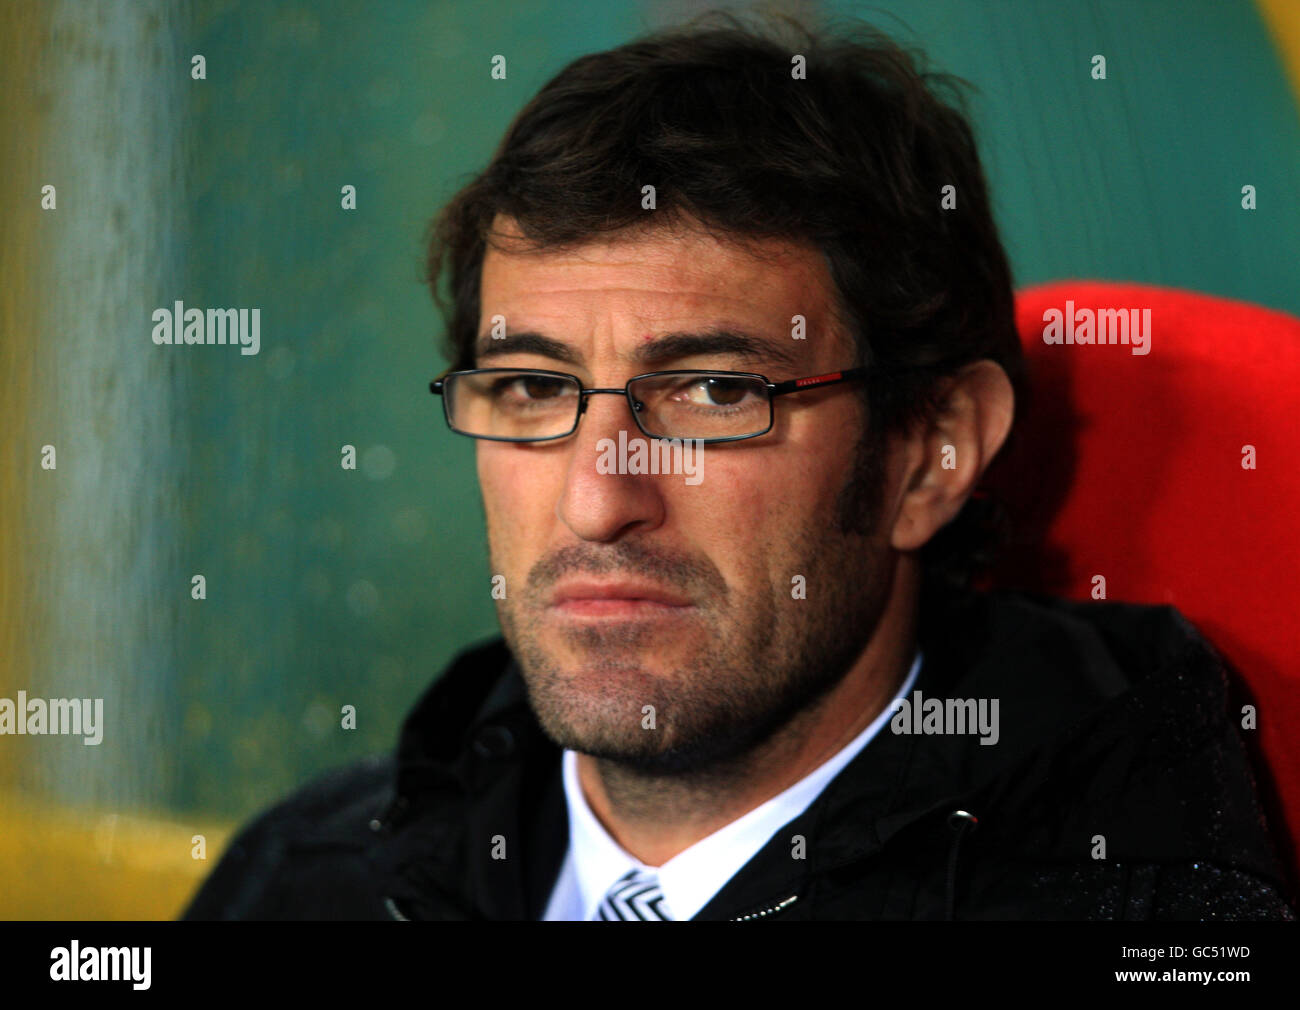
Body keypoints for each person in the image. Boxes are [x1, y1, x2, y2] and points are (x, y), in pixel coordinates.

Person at [182, 13, 1295, 921]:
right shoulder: (305, 875)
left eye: (717, 391)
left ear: (929, 452)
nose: (598, 497)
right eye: (530, 387)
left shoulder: (1127, 903)